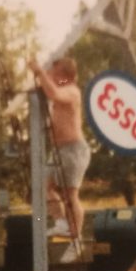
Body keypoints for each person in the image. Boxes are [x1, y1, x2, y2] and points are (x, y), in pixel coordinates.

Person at [28, 57, 91, 242]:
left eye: (55, 74)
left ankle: (75, 235)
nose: (51, 77)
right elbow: (50, 88)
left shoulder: (71, 91)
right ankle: (61, 222)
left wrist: (39, 71)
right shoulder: (60, 87)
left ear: (64, 76)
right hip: (58, 149)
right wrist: (41, 73)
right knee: (43, 187)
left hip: (73, 149)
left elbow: (54, 93)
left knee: (70, 194)